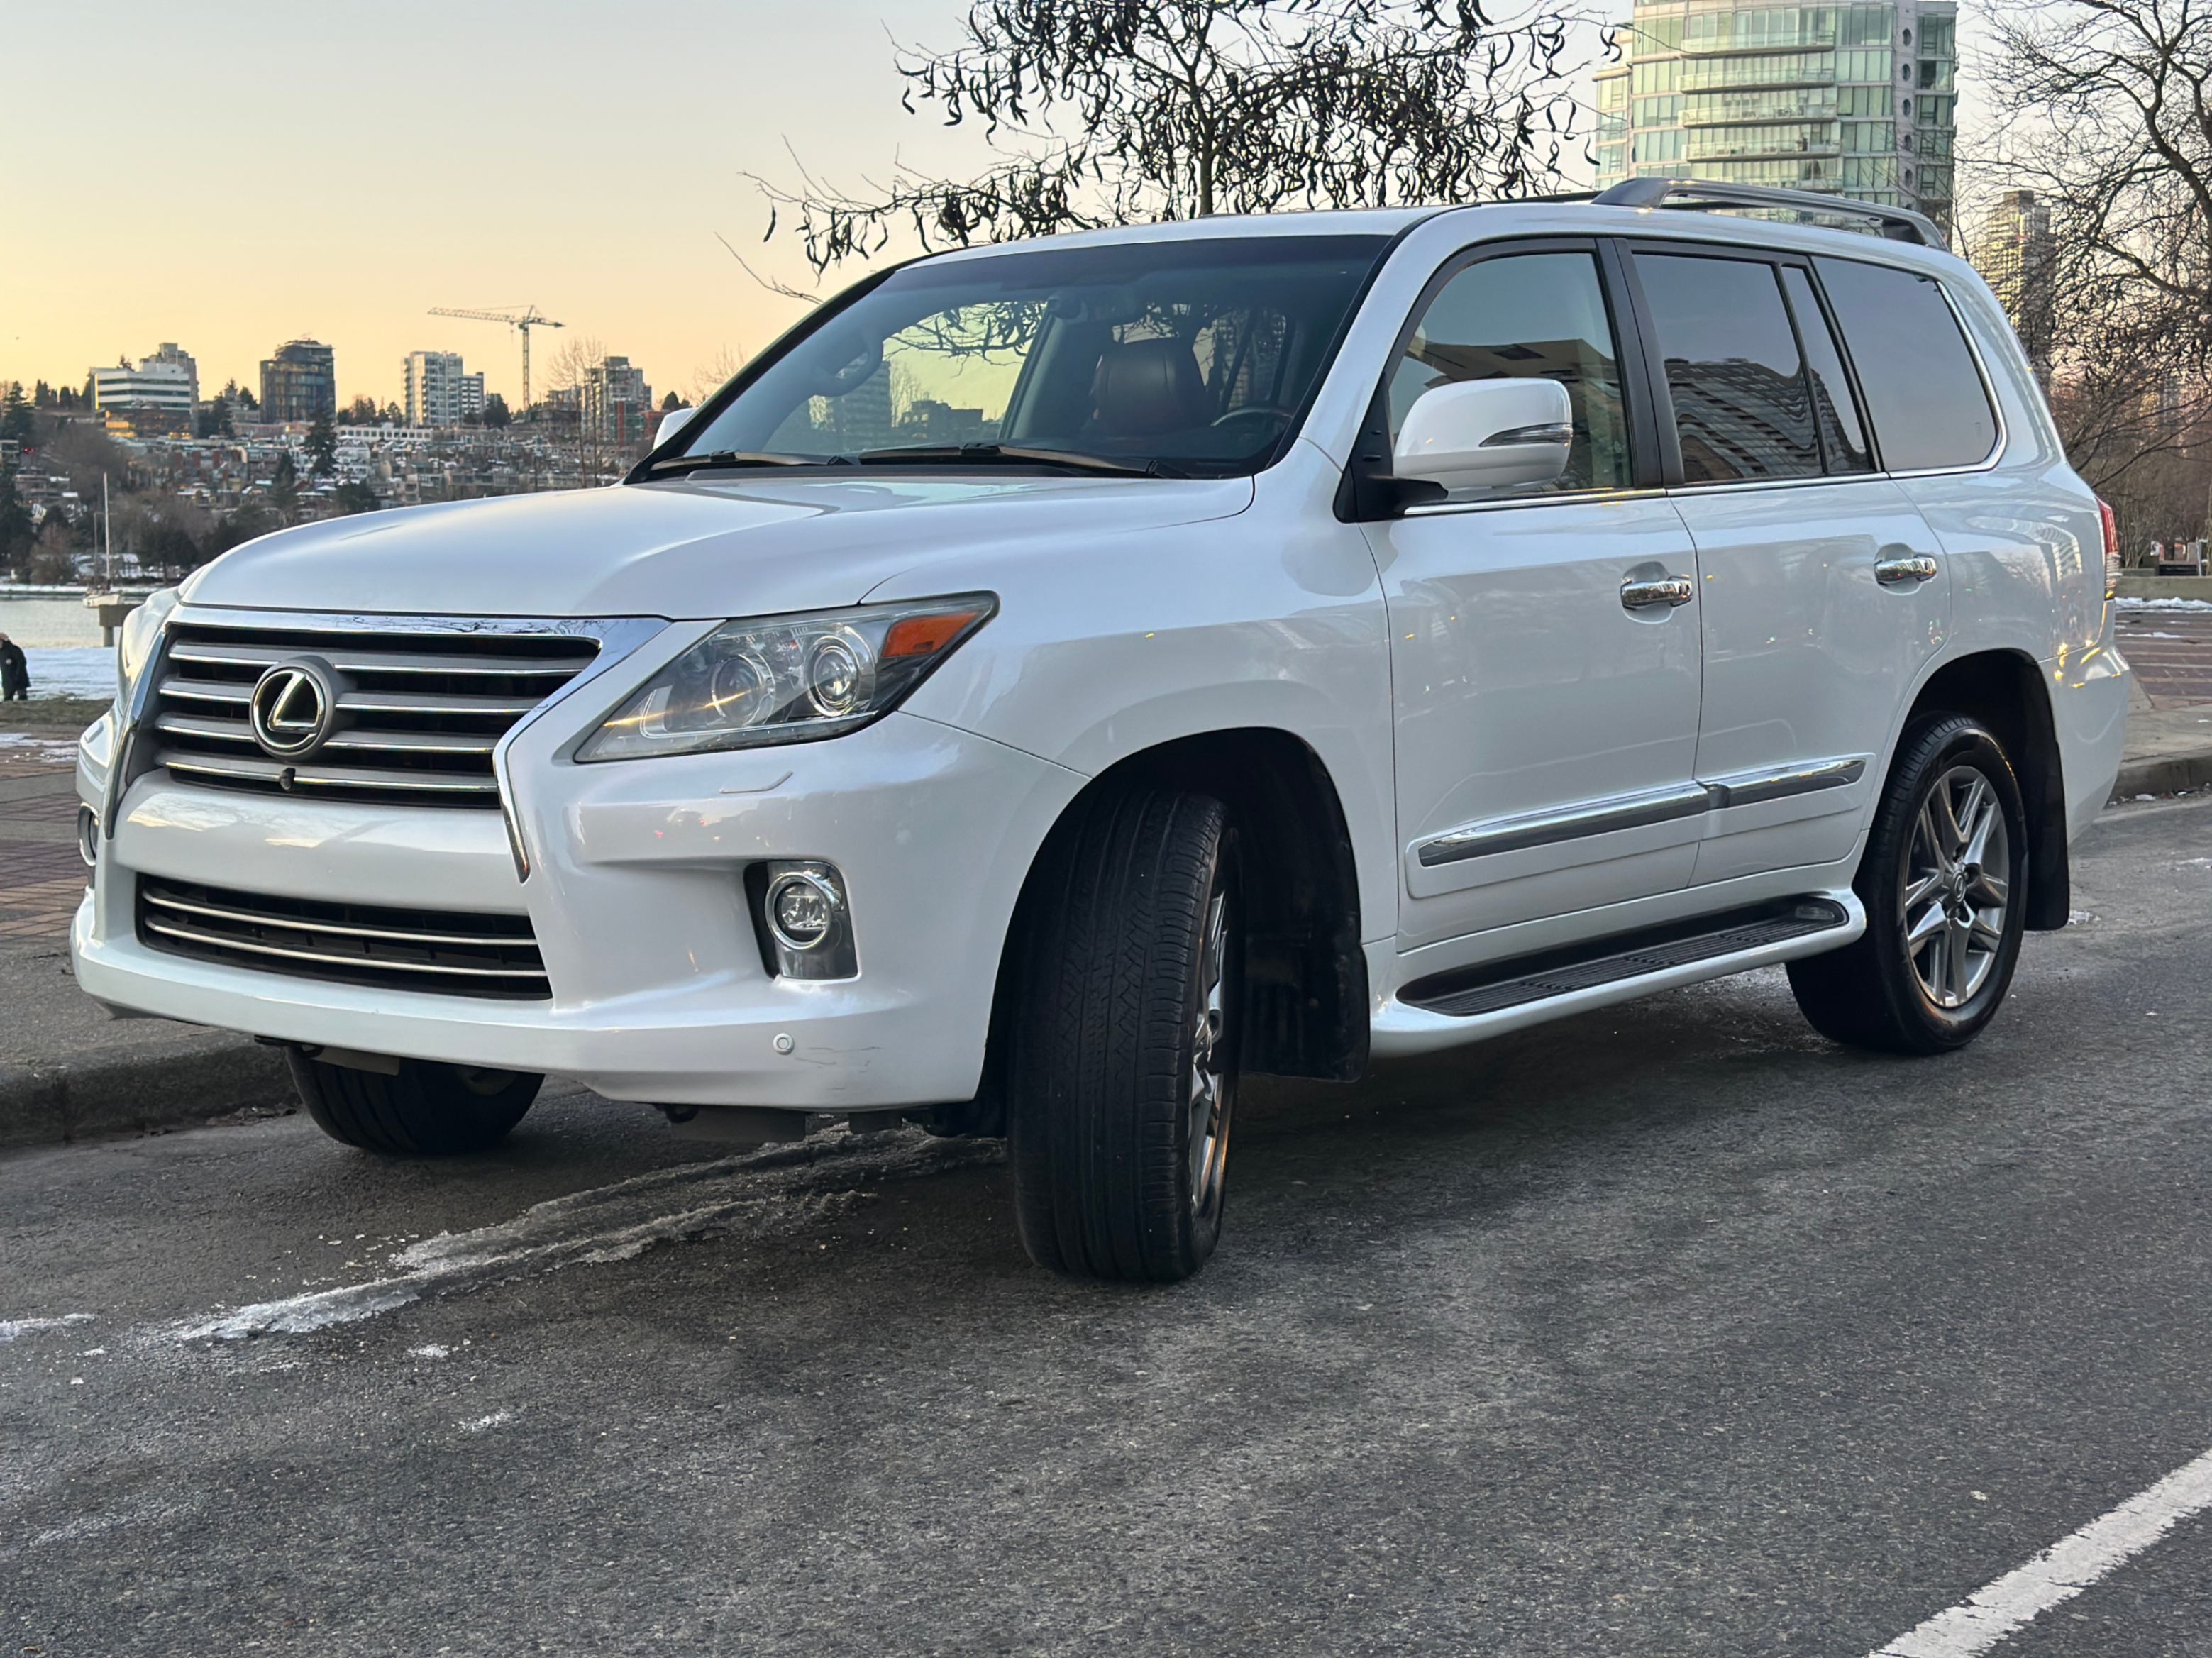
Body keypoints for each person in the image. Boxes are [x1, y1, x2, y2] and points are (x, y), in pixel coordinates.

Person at [0, 632, 28, 702]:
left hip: (19, 677)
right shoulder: (1, 652)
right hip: (7, 679)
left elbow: (22, 662)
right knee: (7, 699)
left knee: (22, 697)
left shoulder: (14, 649)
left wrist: (18, 675)